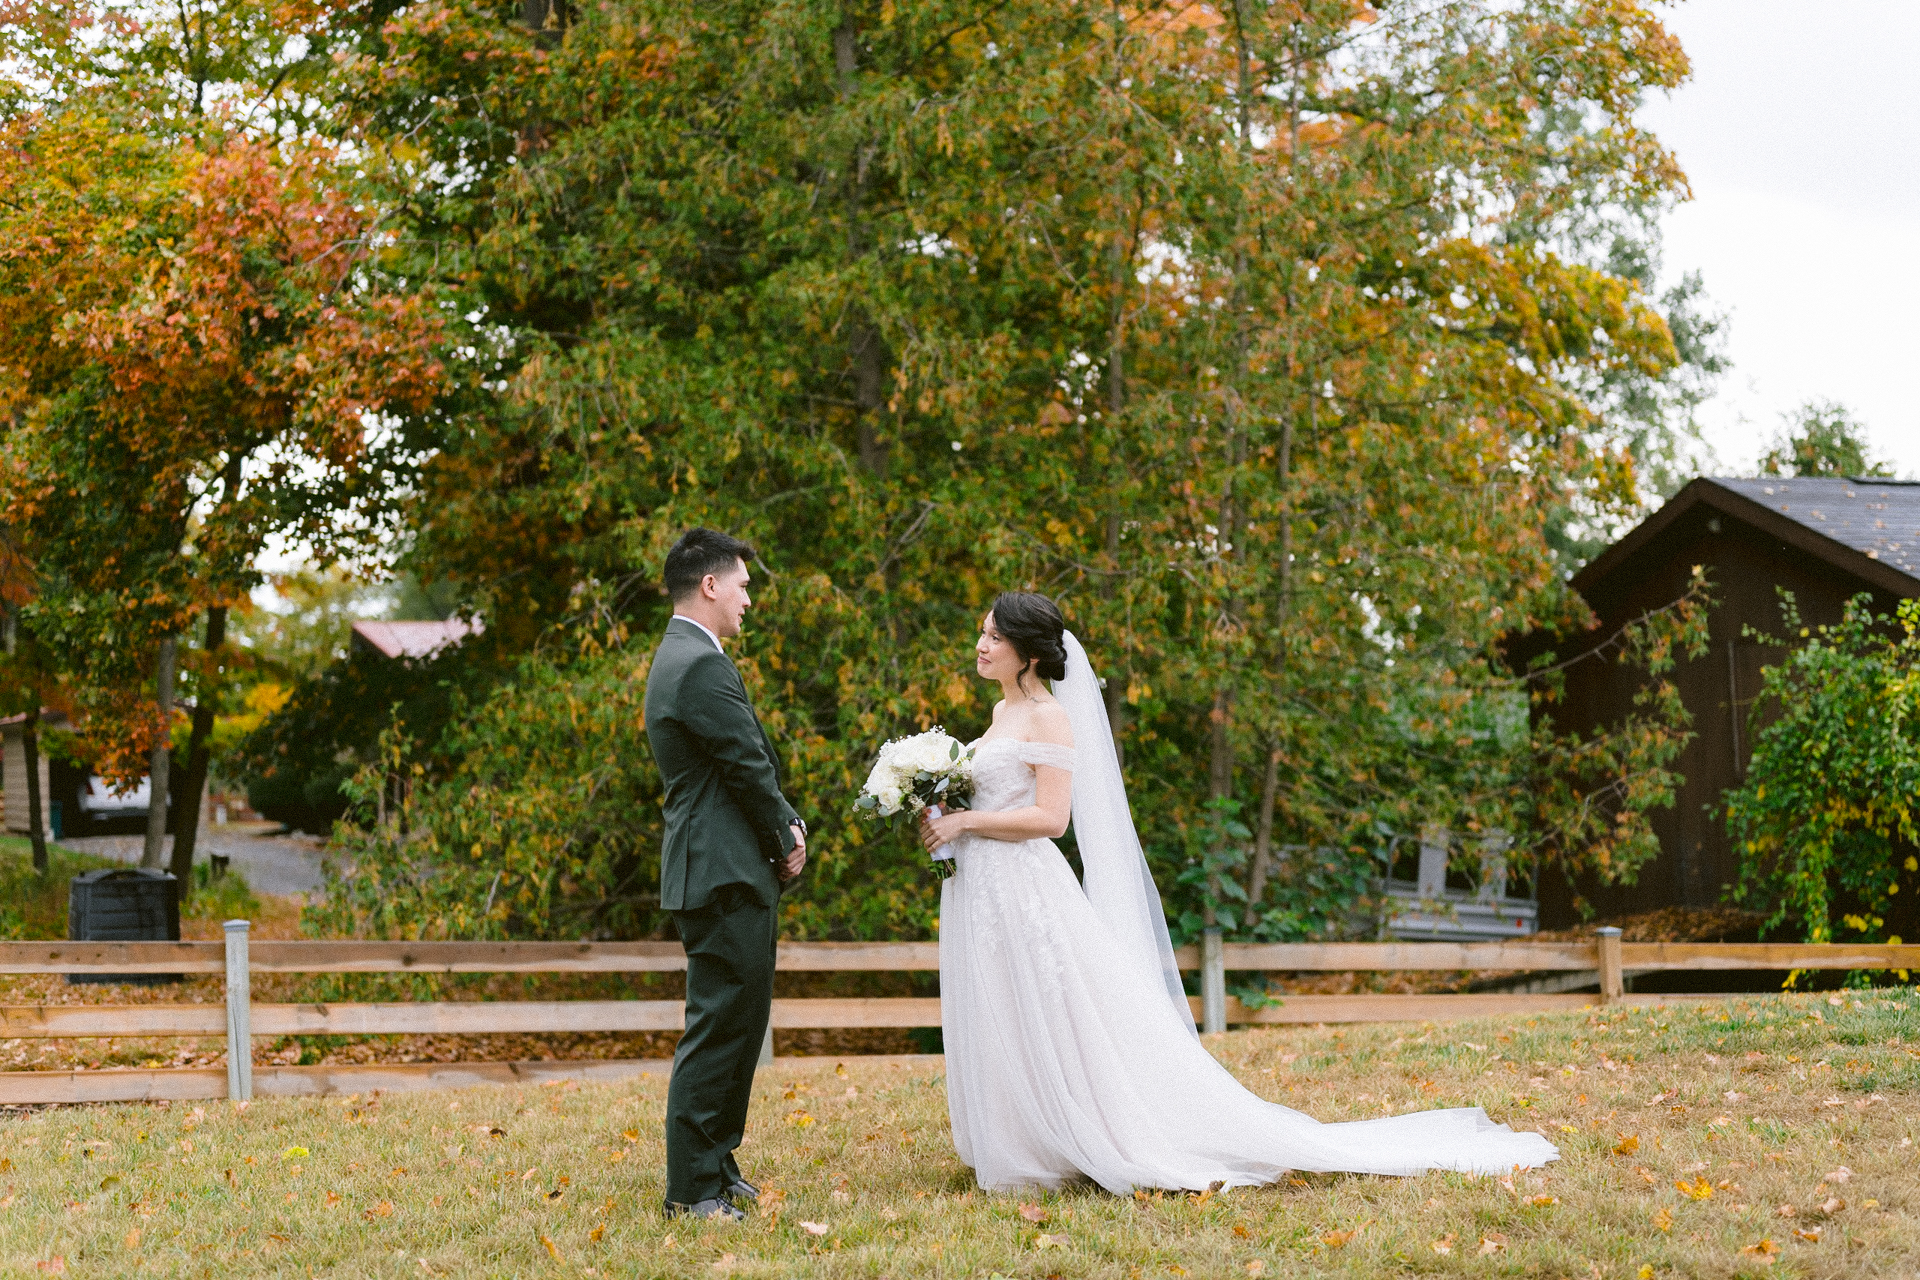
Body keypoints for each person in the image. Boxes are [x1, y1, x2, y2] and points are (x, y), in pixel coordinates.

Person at [920, 590, 1557, 1193]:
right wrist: (940, 807)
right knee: (1002, 1008)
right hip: (984, 889)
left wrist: (965, 821)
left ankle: (1079, 1137)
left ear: (1028, 652)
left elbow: (1051, 820)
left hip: (1029, 891)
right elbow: (1003, 790)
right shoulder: (1003, 712)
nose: (980, 644)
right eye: (983, 632)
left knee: (1048, 1013)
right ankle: (1021, 1141)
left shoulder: (1051, 718)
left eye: (994, 635)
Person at [644, 528, 809, 1221]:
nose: (748, 598)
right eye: (741, 584)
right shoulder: (700, 663)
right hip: (723, 872)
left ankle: (717, 1166)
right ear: (709, 585)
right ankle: (691, 1191)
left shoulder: (681, 654)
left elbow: (737, 760)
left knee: (739, 1025)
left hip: (718, 870)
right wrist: (786, 832)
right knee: (718, 1029)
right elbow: (747, 764)